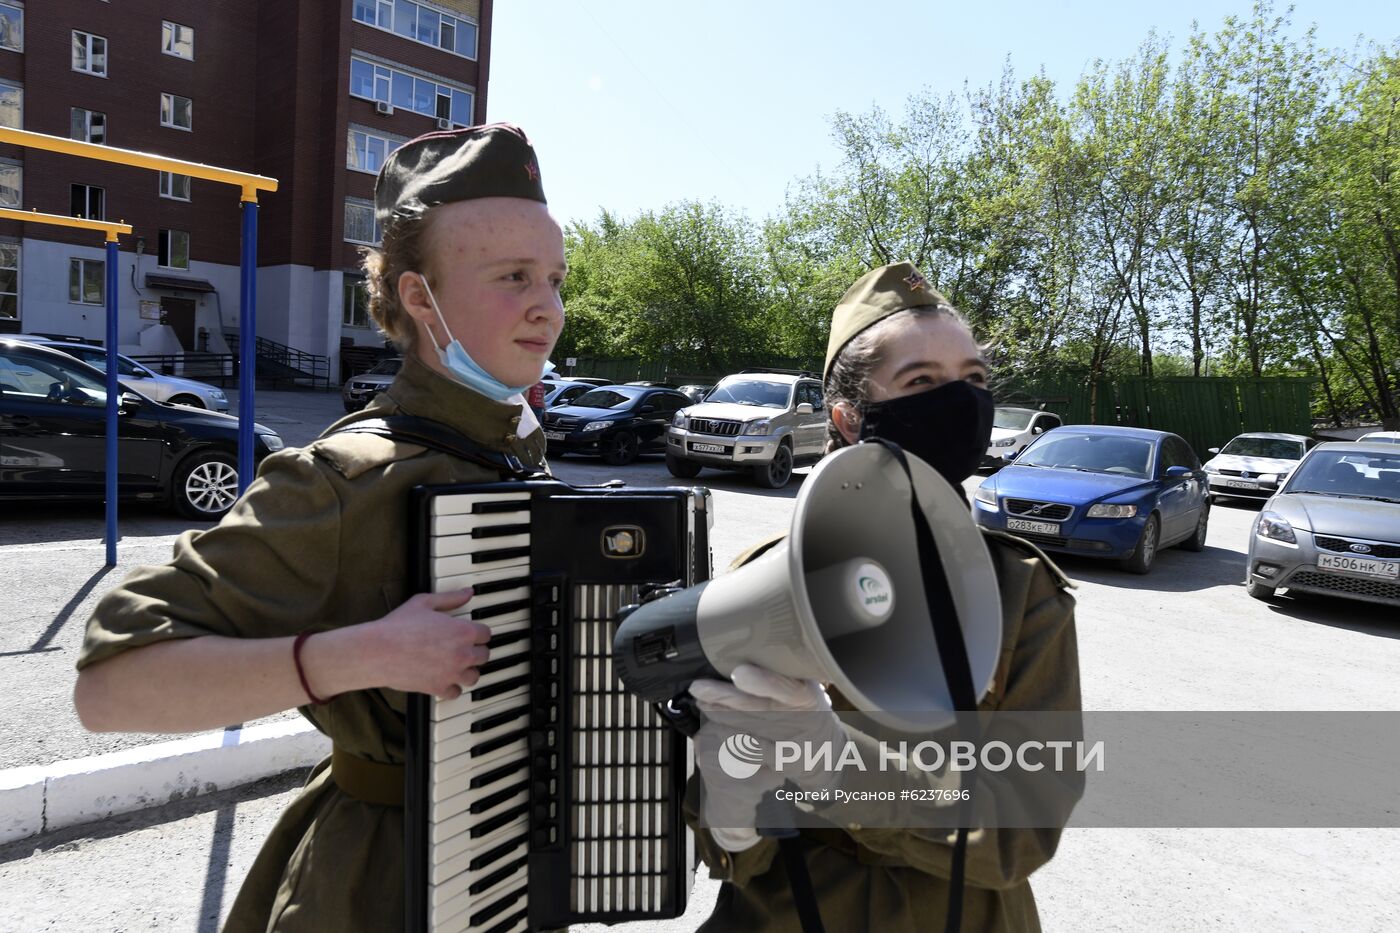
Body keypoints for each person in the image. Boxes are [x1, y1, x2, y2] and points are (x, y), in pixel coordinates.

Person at [72, 124, 566, 933]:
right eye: (513, 276)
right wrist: (363, 654)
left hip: (516, 867)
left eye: (553, 276)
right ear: (418, 297)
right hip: (379, 887)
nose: (546, 304)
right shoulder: (344, 475)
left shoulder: (515, 454)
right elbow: (111, 682)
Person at [683, 262, 1083, 932]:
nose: (959, 402)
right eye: (922, 381)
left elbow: (1023, 829)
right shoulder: (763, 580)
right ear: (847, 417)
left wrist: (842, 766)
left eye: (973, 380)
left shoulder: (1021, 592)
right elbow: (728, 845)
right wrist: (725, 815)